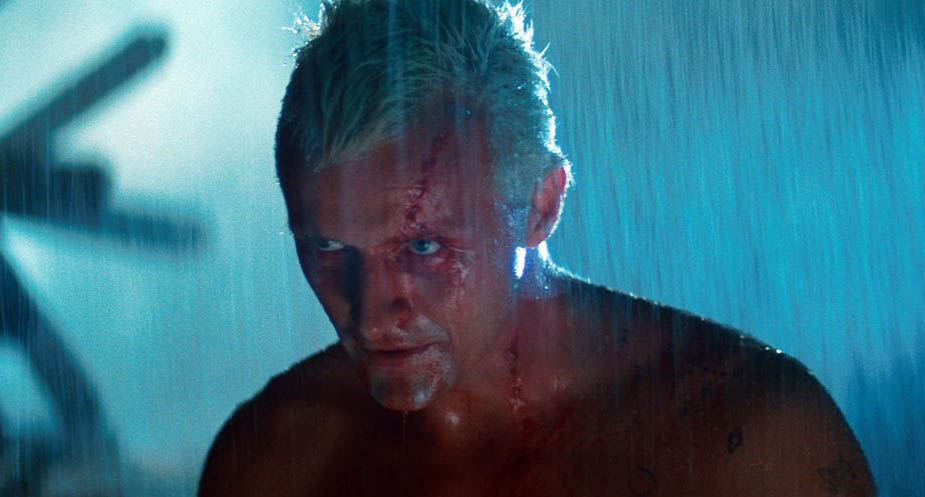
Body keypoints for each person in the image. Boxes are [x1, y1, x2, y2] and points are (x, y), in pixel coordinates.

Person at [199, 0, 875, 495]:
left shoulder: (751, 435)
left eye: (424, 245)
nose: (373, 315)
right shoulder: (273, 461)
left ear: (541, 206)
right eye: (328, 247)